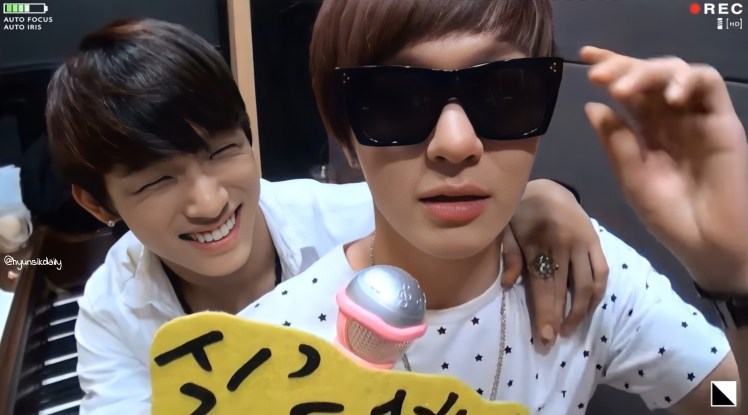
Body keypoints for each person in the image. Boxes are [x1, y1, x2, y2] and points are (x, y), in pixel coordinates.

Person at [44, 18, 608, 413]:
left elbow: (461, 203)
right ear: (97, 203)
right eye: (157, 180)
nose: (209, 202)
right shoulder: (111, 316)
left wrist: (543, 198)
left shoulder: (347, 216)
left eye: (222, 152)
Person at [239, 1, 747, 414]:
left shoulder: (585, 277)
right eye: (396, 100)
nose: (456, 143)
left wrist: (733, 276)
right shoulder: (270, 342)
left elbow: (727, 401)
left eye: (504, 92)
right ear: (345, 136)